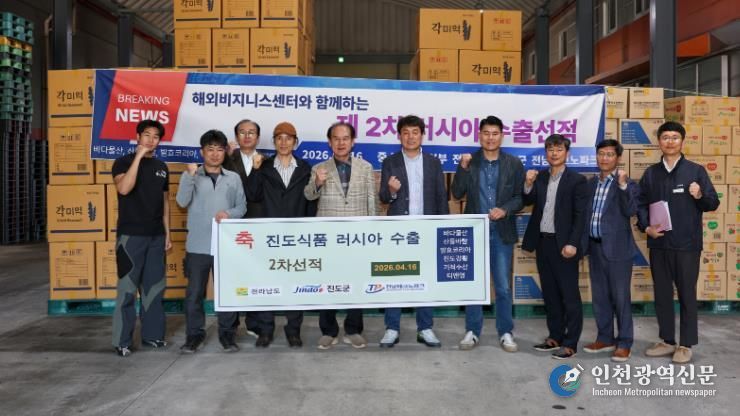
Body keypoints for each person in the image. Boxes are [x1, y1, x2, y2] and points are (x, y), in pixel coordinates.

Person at [637, 121, 719, 364]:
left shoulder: (695, 171)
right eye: (665, 137)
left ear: (682, 141)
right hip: (659, 244)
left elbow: (712, 203)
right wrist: (646, 227)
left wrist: (699, 194)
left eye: (674, 137)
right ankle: (667, 340)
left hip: (687, 245)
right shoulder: (651, 173)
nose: (670, 141)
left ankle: (685, 344)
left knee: (686, 294)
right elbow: (640, 204)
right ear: (659, 142)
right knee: (662, 293)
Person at [450, 115, 524, 351]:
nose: (490, 138)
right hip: (475, 233)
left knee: (502, 287)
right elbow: (457, 193)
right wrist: (462, 168)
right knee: (474, 285)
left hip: (501, 233)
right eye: (486, 133)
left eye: (495, 133)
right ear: (479, 135)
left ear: (502, 136)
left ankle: (506, 332)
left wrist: (505, 209)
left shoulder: (513, 164)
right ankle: (472, 331)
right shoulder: (470, 162)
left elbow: (520, 198)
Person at [377, 115, 449, 348]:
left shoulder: (433, 163)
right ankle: (392, 328)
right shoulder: (390, 162)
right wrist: (391, 190)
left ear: (422, 135)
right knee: (395, 276)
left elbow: (441, 197)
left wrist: (442, 229)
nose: (410, 137)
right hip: (399, 230)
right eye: (406, 132)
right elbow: (383, 198)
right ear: (399, 136)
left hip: (426, 229)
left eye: (415, 132)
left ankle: (425, 327)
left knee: (425, 277)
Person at [304, 122, 377, 350]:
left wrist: (373, 231)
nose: (341, 142)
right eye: (336, 138)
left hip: (357, 236)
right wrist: (318, 182)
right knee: (327, 282)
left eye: (345, 138)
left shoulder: (366, 167)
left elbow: (372, 202)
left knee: (356, 282)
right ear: (329, 142)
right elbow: (308, 195)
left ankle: (353, 329)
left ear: (353, 142)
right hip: (329, 236)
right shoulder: (319, 168)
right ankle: (328, 331)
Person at [246, 121, 316, 348]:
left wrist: (309, 231)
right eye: (279, 138)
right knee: (267, 282)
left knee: (295, 283)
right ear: (274, 142)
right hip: (269, 235)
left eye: (288, 138)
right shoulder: (264, 166)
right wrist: (255, 170)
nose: (284, 142)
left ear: (295, 142)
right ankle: (266, 330)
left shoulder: (305, 168)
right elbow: (253, 195)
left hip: (296, 236)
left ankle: (293, 330)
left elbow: (311, 202)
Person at [176, 130, 246, 354]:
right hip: (198, 245)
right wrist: (189, 176)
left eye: (219, 149)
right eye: (210, 149)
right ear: (202, 152)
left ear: (225, 152)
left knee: (226, 292)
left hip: (225, 245)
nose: (215, 154)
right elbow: (181, 201)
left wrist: (229, 213)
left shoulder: (233, 178)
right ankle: (194, 335)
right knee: (194, 293)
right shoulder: (192, 175)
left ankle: (227, 335)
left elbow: (242, 207)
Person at [521, 134, 587, 360]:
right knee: (550, 294)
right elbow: (527, 200)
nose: (554, 153)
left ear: (567, 153)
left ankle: (571, 343)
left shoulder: (577, 180)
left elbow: (580, 216)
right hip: (543, 242)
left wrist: (573, 243)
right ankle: (555, 336)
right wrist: (528, 184)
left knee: (569, 296)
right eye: (550, 149)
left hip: (564, 246)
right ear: (546, 153)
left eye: (559, 149)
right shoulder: (539, 177)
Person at [111, 119, 172, 357]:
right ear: (138, 136)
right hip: (130, 237)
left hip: (156, 236)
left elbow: (165, 203)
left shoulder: (162, 167)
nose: (151, 140)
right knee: (127, 290)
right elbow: (124, 189)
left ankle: (153, 336)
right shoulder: (122, 162)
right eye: (146, 135)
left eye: (156, 137)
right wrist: (138, 157)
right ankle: (122, 341)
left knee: (154, 288)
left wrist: (167, 233)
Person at [580, 139, 639, 362]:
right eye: (601, 154)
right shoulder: (590, 184)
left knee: (620, 298)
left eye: (609, 154)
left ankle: (624, 342)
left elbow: (631, 210)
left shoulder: (628, 184)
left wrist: (623, 186)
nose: (604, 158)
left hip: (618, 250)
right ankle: (605, 338)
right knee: (600, 297)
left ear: (618, 158)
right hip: (595, 247)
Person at [221, 119, 265, 338]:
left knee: (255, 275)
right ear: (236, 136)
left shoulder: (266, 162)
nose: (247, 136)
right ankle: (230, 325)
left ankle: (254, 322)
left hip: (257, 225)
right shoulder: (226, 159)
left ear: (258, 137)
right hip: (231, 226)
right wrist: (226, 157)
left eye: (251, 132)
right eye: (242, 132)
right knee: (232, 276)